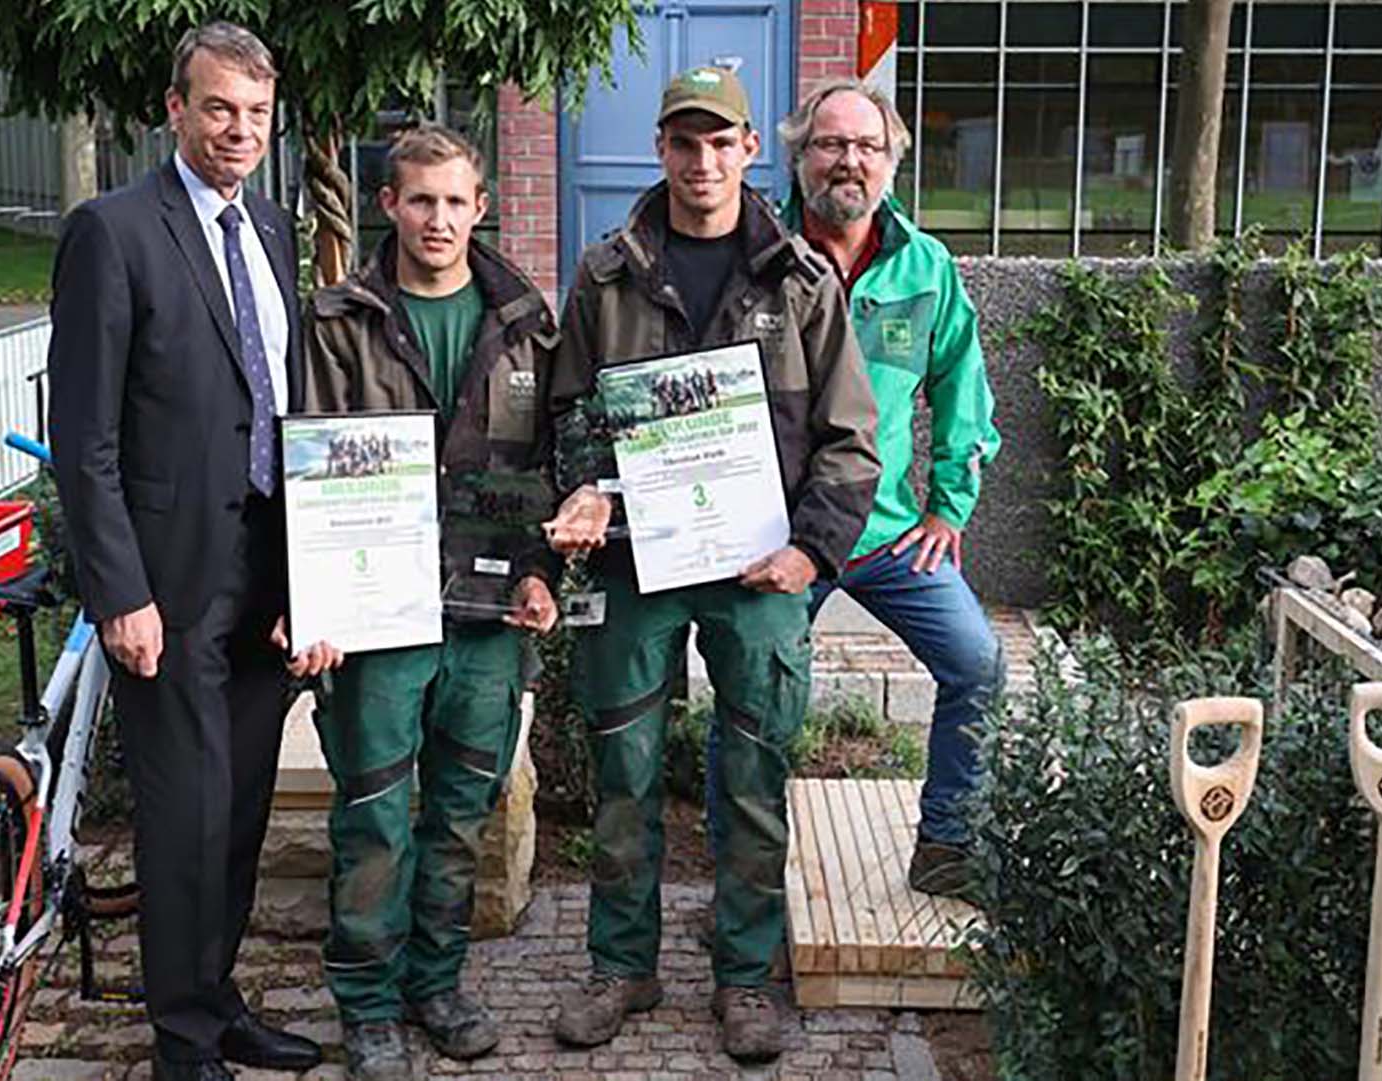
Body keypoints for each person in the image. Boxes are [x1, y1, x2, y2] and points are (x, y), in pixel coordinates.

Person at [541, 66, 881, 1065]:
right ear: (661, 150)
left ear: (747, 152)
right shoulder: (607, 275)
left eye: (720, 142)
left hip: (757, 572)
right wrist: (585, 488)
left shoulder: (802, 282)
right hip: (632, 567)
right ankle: (622, 966)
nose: (701, 162)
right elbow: (569, 410)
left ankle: (743, 980)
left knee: (753, 779)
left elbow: (851, 438)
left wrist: (811, 550)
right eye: (683, 143)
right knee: (623, 774)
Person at [46, 23, 324, 1081]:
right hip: (164, 581)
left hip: (264, 566)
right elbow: (86, 435)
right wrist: (119, 589)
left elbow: (280, 398)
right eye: (218, 109)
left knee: (243, 803)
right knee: (183, 815)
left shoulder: (277, 229)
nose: (238, 131)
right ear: (175, 110)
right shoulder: (112, 232)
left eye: (255, 113)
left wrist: (312, 571)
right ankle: (182, 1042)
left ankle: (219, 1000)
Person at [296, 123, 562, 1081]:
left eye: (455, 202)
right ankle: (366, 1002)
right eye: (420, 201)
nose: (438, 219)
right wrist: (312, 597)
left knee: (458, 811)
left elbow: (548, 465)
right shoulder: (338, 322)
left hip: (488, 619)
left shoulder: (530, 322)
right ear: (389, 207)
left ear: (480, 207)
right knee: (373, 811)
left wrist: (540, 572)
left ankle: (434, 983)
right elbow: (307, 469)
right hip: (379, 616)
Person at [756, 80, 1005, 896]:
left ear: (892, 162)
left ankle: (947, 845)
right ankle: (745, 882)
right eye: (831, 144)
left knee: (978, 663)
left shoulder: (924, 267)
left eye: (867, 146)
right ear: (800, 158)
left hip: (889, 532)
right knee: (753, 698)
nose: (849, 161)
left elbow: (963, 390)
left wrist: (947, 506)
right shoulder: (757, 254)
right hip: (783, 538)